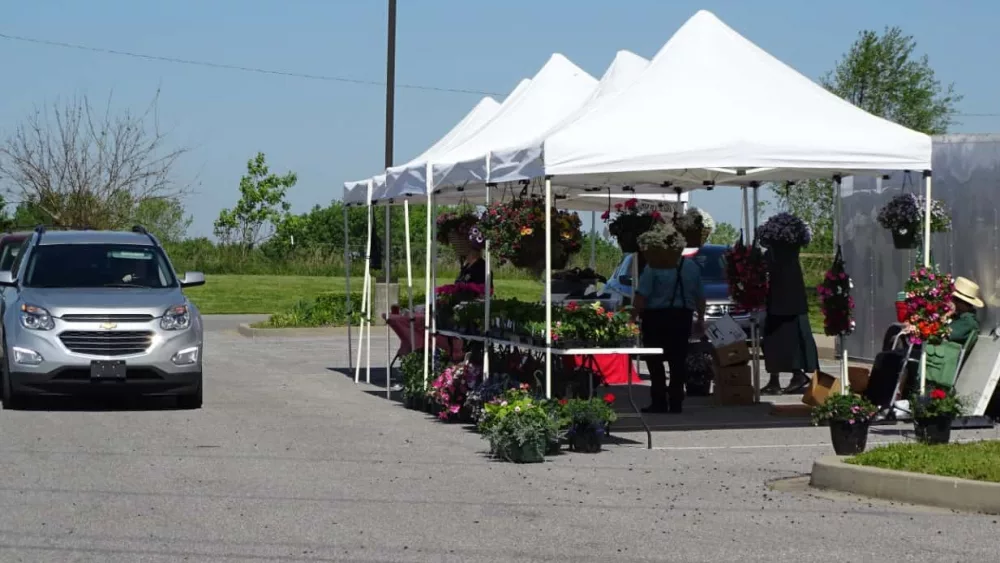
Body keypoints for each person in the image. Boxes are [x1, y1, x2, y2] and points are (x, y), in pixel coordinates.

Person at [633, 253, 705, 414]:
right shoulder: (691, 267)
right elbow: (700, 295)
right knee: (678, 361)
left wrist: (632, 317)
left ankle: (659, 401)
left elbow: (641, 295)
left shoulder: (653, 266)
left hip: (656, 318)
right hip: (682, 317)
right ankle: (676, 401)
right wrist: (700, 318)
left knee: (654, 361)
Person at [760, 246, 819, 395]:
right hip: (788, 306)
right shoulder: (787, 254)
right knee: (782, 343)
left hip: (782, 307)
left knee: (780, 342)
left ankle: (789, 377)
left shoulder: (777, 255)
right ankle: (781, 379)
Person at [949, 276, 983, 345]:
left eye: (955, 299)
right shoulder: (960, 316)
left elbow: (946, 334)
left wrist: (946, 315)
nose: (952, 301)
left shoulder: (967, 321)